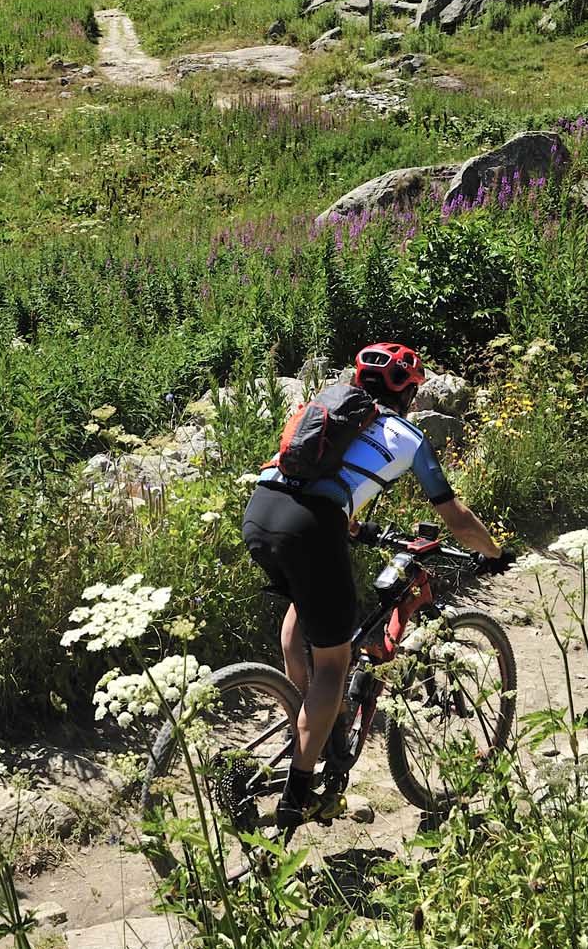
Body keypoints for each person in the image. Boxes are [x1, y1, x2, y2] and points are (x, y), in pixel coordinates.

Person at [241, 342, 509, 828]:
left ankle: (310, 727)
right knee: (335, 663)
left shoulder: (328, 412)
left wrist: (357, 529)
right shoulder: (406, 435)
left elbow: (315, 485)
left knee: (300, 626)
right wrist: (494, 553)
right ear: (407, 392)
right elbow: (456, 517)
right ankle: (298, 795)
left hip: (261, 512)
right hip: (311, 527)